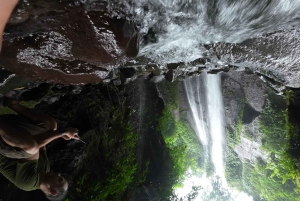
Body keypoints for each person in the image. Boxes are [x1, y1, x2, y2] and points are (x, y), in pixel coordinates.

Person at [0, 95, 80, 200]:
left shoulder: (28, 183)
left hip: (3, 148)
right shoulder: (46, 168)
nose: (58, 174)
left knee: (32, 148)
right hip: (11, 136)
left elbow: (35, 146)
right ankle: (10, 103)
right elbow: (42, 142)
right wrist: (57, 132)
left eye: (59, 179)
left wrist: (62, 133)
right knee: (51, 125)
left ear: (52, 190)